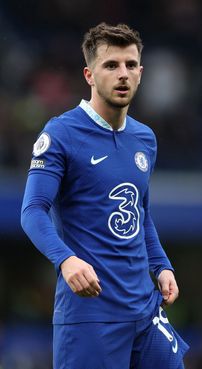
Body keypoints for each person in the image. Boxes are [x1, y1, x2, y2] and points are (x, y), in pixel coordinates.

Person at [21, 22, 189, 369]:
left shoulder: (145, 139)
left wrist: (161, 265)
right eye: (111, 65)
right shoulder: (61, 133)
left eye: (130, 65)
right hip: (90, 317)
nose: (122, 74)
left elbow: (140, 214)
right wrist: (66, 260)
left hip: (144, 309)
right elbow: (33, 210)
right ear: (89, 75)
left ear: (141, 73)